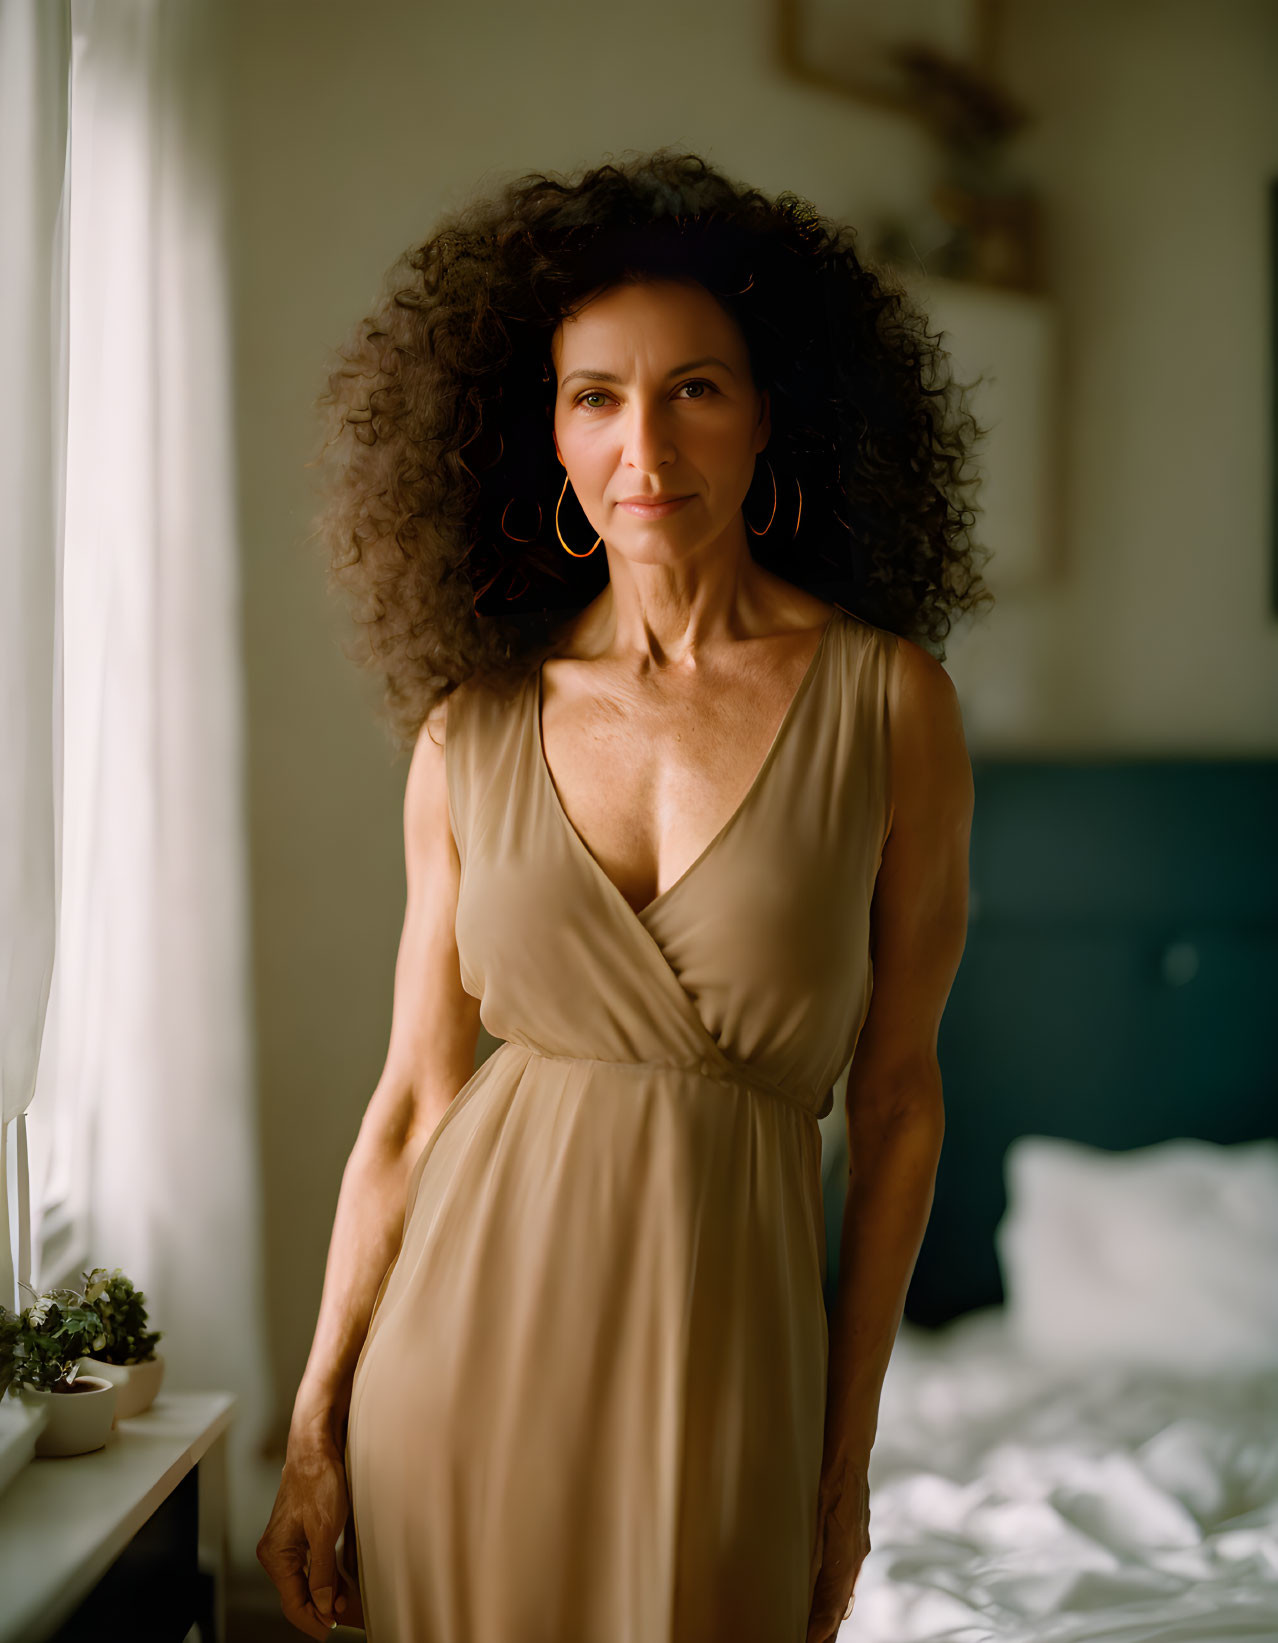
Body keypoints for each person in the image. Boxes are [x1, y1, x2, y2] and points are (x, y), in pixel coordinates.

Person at [257, 147, 988, 1643]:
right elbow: (409, 1104)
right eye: (595, 395)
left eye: (693, 388)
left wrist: (842, 1467)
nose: (642, 441)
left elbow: (900, 1101)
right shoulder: (468, 729)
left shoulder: (888, 704)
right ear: (546, 432)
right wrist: (318, 1419)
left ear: (775, 412)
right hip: (451, 1373)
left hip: (728, 1376)